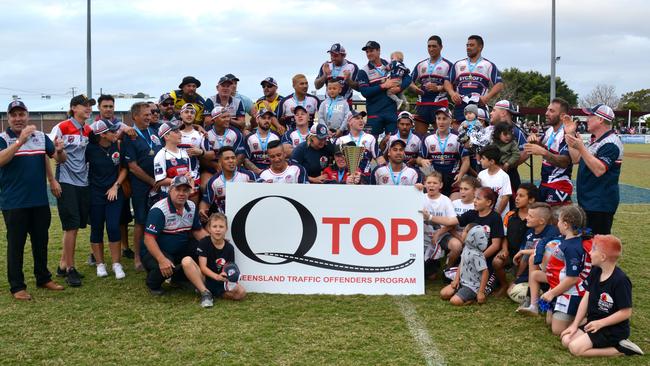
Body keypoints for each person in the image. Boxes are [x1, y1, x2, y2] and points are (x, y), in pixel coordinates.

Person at [1, 100, 66, 300]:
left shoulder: (40, 137)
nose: (19, 119)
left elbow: (57, 158)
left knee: (41, 241)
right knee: (16, 244)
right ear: (8, 117)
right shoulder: (4, 138)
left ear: (27, 115)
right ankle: (17, 286)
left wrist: (61, 151)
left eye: (22, 114)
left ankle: (43, 277)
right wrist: (20, 141)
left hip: (39, 201)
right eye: (14, 115)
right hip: (14, 202)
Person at [561, 235, 643, 356]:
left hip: (612, 328)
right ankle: (603, 342)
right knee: (566, 340)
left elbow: (626, 312)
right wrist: (575, 324)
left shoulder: (621, 280)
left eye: (593, 249)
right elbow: (586, 298)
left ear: (603, 257)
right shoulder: (595, 271)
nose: (589, 252)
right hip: (594, 323)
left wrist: (601, 323)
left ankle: (622, 350)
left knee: (575, 348)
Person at [517, 205, 588, 336]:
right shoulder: (566, 241)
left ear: (566, 225)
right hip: (560, 286)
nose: (557, 224)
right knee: (550, 321)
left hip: (571, 293)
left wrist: (551, 293)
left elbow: (573, 278)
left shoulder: (572, 247)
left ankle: (586, 319)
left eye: (559, 221)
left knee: (557, 330)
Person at [49, 94, 95, 286]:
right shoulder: (62, 127)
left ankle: (62, 264)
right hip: (66, 181)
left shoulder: (88, 129)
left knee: (76, 226)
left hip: (83, 182)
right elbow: (50, 153)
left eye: (90, 106)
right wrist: (53, 180)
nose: (88, 109)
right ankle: (70, 269)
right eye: (84, 105)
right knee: (71, 226)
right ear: (73, 108)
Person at [429, 187, 506, 296]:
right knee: (445, 292)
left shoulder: (495, 218)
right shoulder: (472, 214)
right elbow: (451, 221)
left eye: (478, 199)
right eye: (474, 198)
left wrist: (478, 258)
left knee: (478, 290)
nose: (474, 201)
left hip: (485, 262)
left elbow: (496, 245)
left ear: (488, 202)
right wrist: (430, 216)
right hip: (470, 259)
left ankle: (495, 281)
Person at [142, 176, 209, 298]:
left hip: (180, 248)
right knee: (167, 264)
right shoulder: (159, 210)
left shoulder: (191, 206)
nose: (182, 193)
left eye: (185, 190)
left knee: (202, 249)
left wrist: (214, 243)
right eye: (178, 190)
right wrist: (161, 260)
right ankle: (152, 284)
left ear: (190, 192)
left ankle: (178, 279)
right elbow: (148, 239)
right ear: (170, 190)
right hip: (155, 252)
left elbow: (197, 231)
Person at [564, 104, 622, 235]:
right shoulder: (596, 140)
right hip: (589, 202)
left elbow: (599, 170)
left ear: (600, 119)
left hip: (600, 204)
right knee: (587, 242)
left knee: (598, 244)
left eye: (590, 116)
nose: (587, 119)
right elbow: (576, 159)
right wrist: (570, 135)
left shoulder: (610, 143)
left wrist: (581, 147)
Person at [122, 102, 163, 271]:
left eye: (151, 113)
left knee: (158, 219)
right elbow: (132, 166)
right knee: (141, 220)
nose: (149, 116)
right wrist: (152, 182)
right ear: (135, 117)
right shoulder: (129, 136)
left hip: (159, 184)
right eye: (145, 114)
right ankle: (138, 258)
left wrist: (160, 181)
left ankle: (155, 253)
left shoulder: (154, 133)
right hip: (141, 185)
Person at [85, 119, 127, 279]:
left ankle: (116, 263)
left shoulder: (118, 146)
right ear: (103, 135)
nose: (116, 133)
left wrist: (116, 186)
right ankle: (100, 263)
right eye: (112, 131)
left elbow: (124, 169)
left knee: (113, 226)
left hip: (114, 192)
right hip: (95, 193)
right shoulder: (90, 149)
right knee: (96, 228)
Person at [523, 98, 573, 207]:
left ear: (562, 116)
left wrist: (543, 152)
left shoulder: (567, 133)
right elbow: (543, 147)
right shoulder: (550, 130)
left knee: (555, 222)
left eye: (551, 111)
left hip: (559, 185)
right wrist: (535, 141)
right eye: (547, 110)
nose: (546, 113)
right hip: (545, 183)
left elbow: (565, 161)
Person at [357, 41, 412, 137]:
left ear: (378, 51)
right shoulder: (363, 71)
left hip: (391, 112)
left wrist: (399, 88)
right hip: (374, 113)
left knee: (393, 143)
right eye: (367, 52)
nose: (369, 54)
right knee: (371, 143)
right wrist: (383, 86)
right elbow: (365, 92)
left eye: (371, 51)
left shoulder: (391, 64)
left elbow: (408, 77)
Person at [445, 35, 504, 122]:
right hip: (460, 105)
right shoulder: (458, 64)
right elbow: (447, 81)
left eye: (472, 45)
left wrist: (487, 97)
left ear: (480, 47)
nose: (468, 48)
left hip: (478, 106)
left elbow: (499, 84)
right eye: (467, 45)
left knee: (478, 134)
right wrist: (452, 93)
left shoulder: (488, 65)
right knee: (459, 134)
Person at [509, 202, 559, 301]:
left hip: (546, 271)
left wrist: (524, 251)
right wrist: (518, 277)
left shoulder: (552, 231)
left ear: (541, 221)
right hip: (529, 270)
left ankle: (539, 293)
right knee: (510, 291)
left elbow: (547, 251)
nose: (527, 217)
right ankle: (536, 293)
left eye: (530, 216)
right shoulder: (529, 233)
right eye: (527, 214)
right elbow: (524, 259)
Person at [197, 213, 247, 307]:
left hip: (220, 281)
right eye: (214, 226)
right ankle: (204, 290)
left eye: (221, 226)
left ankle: (215, 293)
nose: (218, 229)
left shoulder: (229, 248)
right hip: (206, 278)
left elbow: (230, 268)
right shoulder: (204, 242)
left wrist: (228, 276)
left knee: (241, 293)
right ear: (209, 228)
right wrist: (216, 276)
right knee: (187, 261)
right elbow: (202, 267)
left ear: (226, 229)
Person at [410, 35, 453, 136]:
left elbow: (453, 85)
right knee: (419, 139)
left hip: (439, 104)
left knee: (441, 137)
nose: (431, 49)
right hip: (422, 105)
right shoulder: (421, 64)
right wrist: (415, 89)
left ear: (441, 47)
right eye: (429, 46)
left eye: (434, 46)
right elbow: (410, 82)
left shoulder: (448, 65)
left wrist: (439, 88)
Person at [200, 146, 257, 219]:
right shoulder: (213, 181)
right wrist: (202, 210)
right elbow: (205, 201)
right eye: (227, 158)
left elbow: (265, 187)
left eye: (233, 158)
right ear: (220, 162)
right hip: (225, 220)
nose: (231, 160)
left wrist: (255, 187)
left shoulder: (249, 175)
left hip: (247, 217)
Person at [440, 224, 489, 305]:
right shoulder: (466, 248)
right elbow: (461, 264)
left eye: (465, 231)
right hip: (462, 282)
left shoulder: (477, 254)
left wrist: (481, 292)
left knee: (454, 301)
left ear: (472, 236)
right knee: (443, 294)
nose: (462, 233)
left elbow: (485, 272)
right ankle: (461, 294)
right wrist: (456, 280)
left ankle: (472, 297)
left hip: (472, 287)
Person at [418, 108, 461, 197]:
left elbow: (465, 160)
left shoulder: (457, 137)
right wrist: (421, 161)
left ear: (451, 120)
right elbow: (419, 158)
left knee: (452, 204)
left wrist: (461, 174)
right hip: (434, 178)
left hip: (453, 177)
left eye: (444, 119)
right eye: (439, 118)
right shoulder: (428, 138)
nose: (441, 122)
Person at [420, 172, 455, 278]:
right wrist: (415, 189)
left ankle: (447, 270)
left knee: (456, 246)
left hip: (440, 237)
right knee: (429, 276)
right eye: (429, 182)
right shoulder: (419, 197)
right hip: (421, 237)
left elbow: (453, 221)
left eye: (435, 183)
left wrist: (439, 232)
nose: (431, 185)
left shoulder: (446, 200)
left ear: (441, 185)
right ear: (424, 184)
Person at [201, 105, 245, 182]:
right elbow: (202, 158)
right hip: (211, 168)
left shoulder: (236, 133)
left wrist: (230, 168)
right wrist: (215, 166)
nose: (227, 119)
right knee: (205, 185)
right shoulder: (206, 133)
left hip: (232, 167)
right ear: (214, 119)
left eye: (228, 117)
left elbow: (241, 155)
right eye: (223, 117)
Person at [336, 110, 384, 180]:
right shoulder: (341, 140)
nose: (361, 120)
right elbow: (337, 162)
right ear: (349, 122)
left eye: (362, 118)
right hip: (346, 179)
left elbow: (379, 159)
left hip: (365, 178)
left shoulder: (370, 138)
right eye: (357, 118)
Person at [153, 121, 193, 199]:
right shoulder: (161, 155)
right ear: (166, 136)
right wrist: (181, 180)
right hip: (168, 196)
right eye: (176, 131)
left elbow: (190, 175)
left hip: (184, 195)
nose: (180, 134)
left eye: (179, 131)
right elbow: (159, 181)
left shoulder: (184, 153)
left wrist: (191, 187)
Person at [177, 103, 205, 199]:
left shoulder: (200, 134)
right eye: (186, 112)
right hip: (177, 176)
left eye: (192, 113)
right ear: (181, 114)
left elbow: (210, 155)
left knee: (192, 209)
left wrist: (201, 152)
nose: (189, 115)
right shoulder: (174, 134)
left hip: (194, 175)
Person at [243, 109, 281, 175]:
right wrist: (259, 171)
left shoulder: (276, 136)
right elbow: (245, 160)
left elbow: (281, 157)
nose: (267, 120)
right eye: (263, 118)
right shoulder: (249, 138)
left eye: (269, 118)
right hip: (255, 173)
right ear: (257, 120)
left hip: (273, 172)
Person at [477, 145, 512, 218]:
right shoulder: (481, 174)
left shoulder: (504, 176)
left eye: (483, 158)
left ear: (492, 161)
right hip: (484, 214)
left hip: (500, 216)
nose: (480, 160)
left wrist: (496, 214)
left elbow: (505, 197)